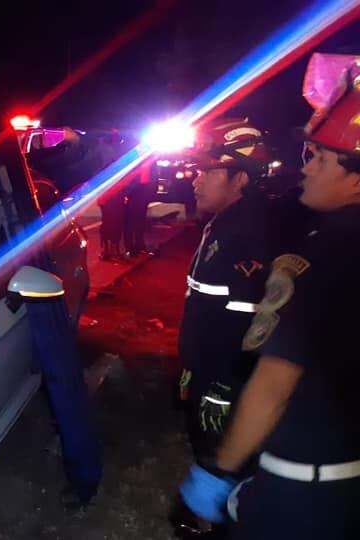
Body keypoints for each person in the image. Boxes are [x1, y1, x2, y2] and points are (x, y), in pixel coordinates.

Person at [179, 52, 360, 539]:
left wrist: (219, 470)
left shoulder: (324, 249)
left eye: (320, 158)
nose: (307, 168)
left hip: (303, 478)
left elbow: (276, 376)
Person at [171, 118, 305, 537]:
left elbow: (256, 325)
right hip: (208, 367)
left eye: (207, 171)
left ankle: (220, 523)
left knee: (227, 457)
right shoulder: (226, 221)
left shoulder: (253, 231)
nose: (195, 180)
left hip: (225, 378)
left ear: (241, 178)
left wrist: (223, 386)